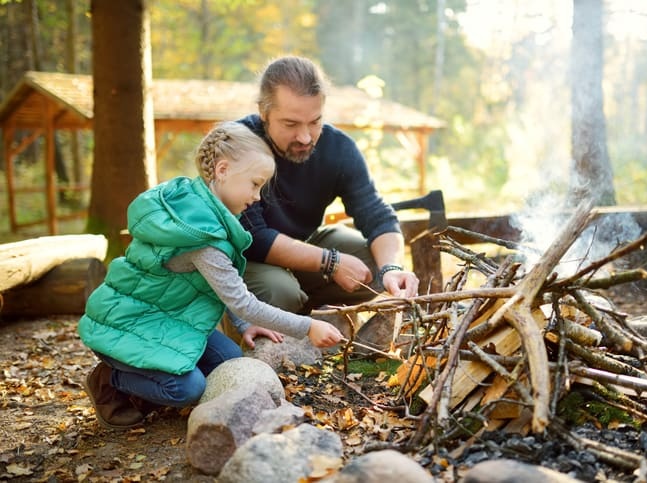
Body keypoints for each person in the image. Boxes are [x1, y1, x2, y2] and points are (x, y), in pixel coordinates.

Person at [77, 121, 344, 430]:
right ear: (222, 170)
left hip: (166, 316)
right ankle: (110, 380)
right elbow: (242, 301)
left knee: (228, 360)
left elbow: (221, 286)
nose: (257, 197)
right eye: (255, 184)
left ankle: (146, 379)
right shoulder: (201, 237)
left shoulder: (198, 208)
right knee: (187, 389)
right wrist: (307, 326)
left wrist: (245, 325)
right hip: (127, 323)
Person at [221, 55, 419, 340]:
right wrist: (331, 262)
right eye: (290, 124)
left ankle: (321, 320)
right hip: (246, 259)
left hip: (307, 244)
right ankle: (254, 343)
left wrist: (392, 268)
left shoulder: (338, 148)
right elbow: (254, 238)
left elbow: (377, 215)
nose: (305, 137)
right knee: (280, 292)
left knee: (376, 266)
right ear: (264, 113)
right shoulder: (238, 144)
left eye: (315, 122)